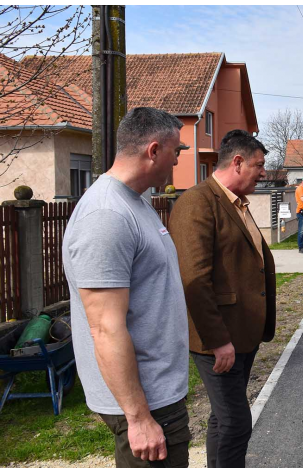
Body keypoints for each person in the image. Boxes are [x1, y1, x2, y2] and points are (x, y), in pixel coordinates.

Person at [62, 107, 192, 468]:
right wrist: (138, 418)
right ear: (153, 151)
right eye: (176, 151)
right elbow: (105, 327)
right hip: (146, 400)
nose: (178, 161)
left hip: (158, 391)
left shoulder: (136, 202)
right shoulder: (106, 216)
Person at [168, 130, 276, 468]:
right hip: (218, 339)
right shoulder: (197, 203)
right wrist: (218, 341)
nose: (263, 173)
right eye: (259, 166)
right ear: (238, 162)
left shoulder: (236, 202)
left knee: (222, 418)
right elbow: (194, 279)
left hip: (241, 334)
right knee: (235, 422)